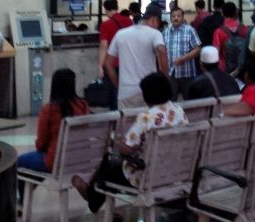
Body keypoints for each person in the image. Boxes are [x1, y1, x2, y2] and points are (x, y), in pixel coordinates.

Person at [74, 72, 187, 213]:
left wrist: (118, 143)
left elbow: (126, 149)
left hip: (147, 177)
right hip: (174, 172)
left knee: (109, 164)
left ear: (147, 96)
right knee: (111, 167)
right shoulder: (179, 111)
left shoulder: (147, 118)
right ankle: (92, 195)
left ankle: (92, 199)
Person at [17, 68, 89, 202]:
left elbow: (41, 144)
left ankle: (22, 201)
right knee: (36, 164)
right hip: (79, 159)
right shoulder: (83, 106)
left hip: (56, 162)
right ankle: (25, 196)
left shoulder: (49, 109)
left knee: (21, 161)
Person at [106, 3, 168, 108]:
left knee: (127, 119)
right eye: (158, 23)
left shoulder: (121, 34)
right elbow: (162, 51)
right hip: (149, 91)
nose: (157, 27)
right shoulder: (155, 33)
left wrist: (118, 85)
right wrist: (165, 78)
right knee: (148, 118)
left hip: (125, 92)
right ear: (154, 19)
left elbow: (107, 63)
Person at [163, 6, 201, 99]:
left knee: (189, 100)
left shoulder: (190, 30)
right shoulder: (165, 32)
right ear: (170, 18)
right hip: (171, 72)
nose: (176, 18)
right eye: (173, 16)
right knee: (171, 100)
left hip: (187, 72)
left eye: (179, 16)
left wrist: (183, 59)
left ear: (183, 17)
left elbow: (198, 49)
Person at [97, 0, 132, 81]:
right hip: (129, 62)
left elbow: (104, 46)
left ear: (106, 10)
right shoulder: (129, 21)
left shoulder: (105, 25)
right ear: (117, 7)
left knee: (113, 87)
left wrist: (100, 65)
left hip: (113, 63)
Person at [213, 2, 248, 76]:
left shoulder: (218, 31)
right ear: (235, 13)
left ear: (222, 13)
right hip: (242, 68)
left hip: (225, 69)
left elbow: (216, 52)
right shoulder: (244, 28)